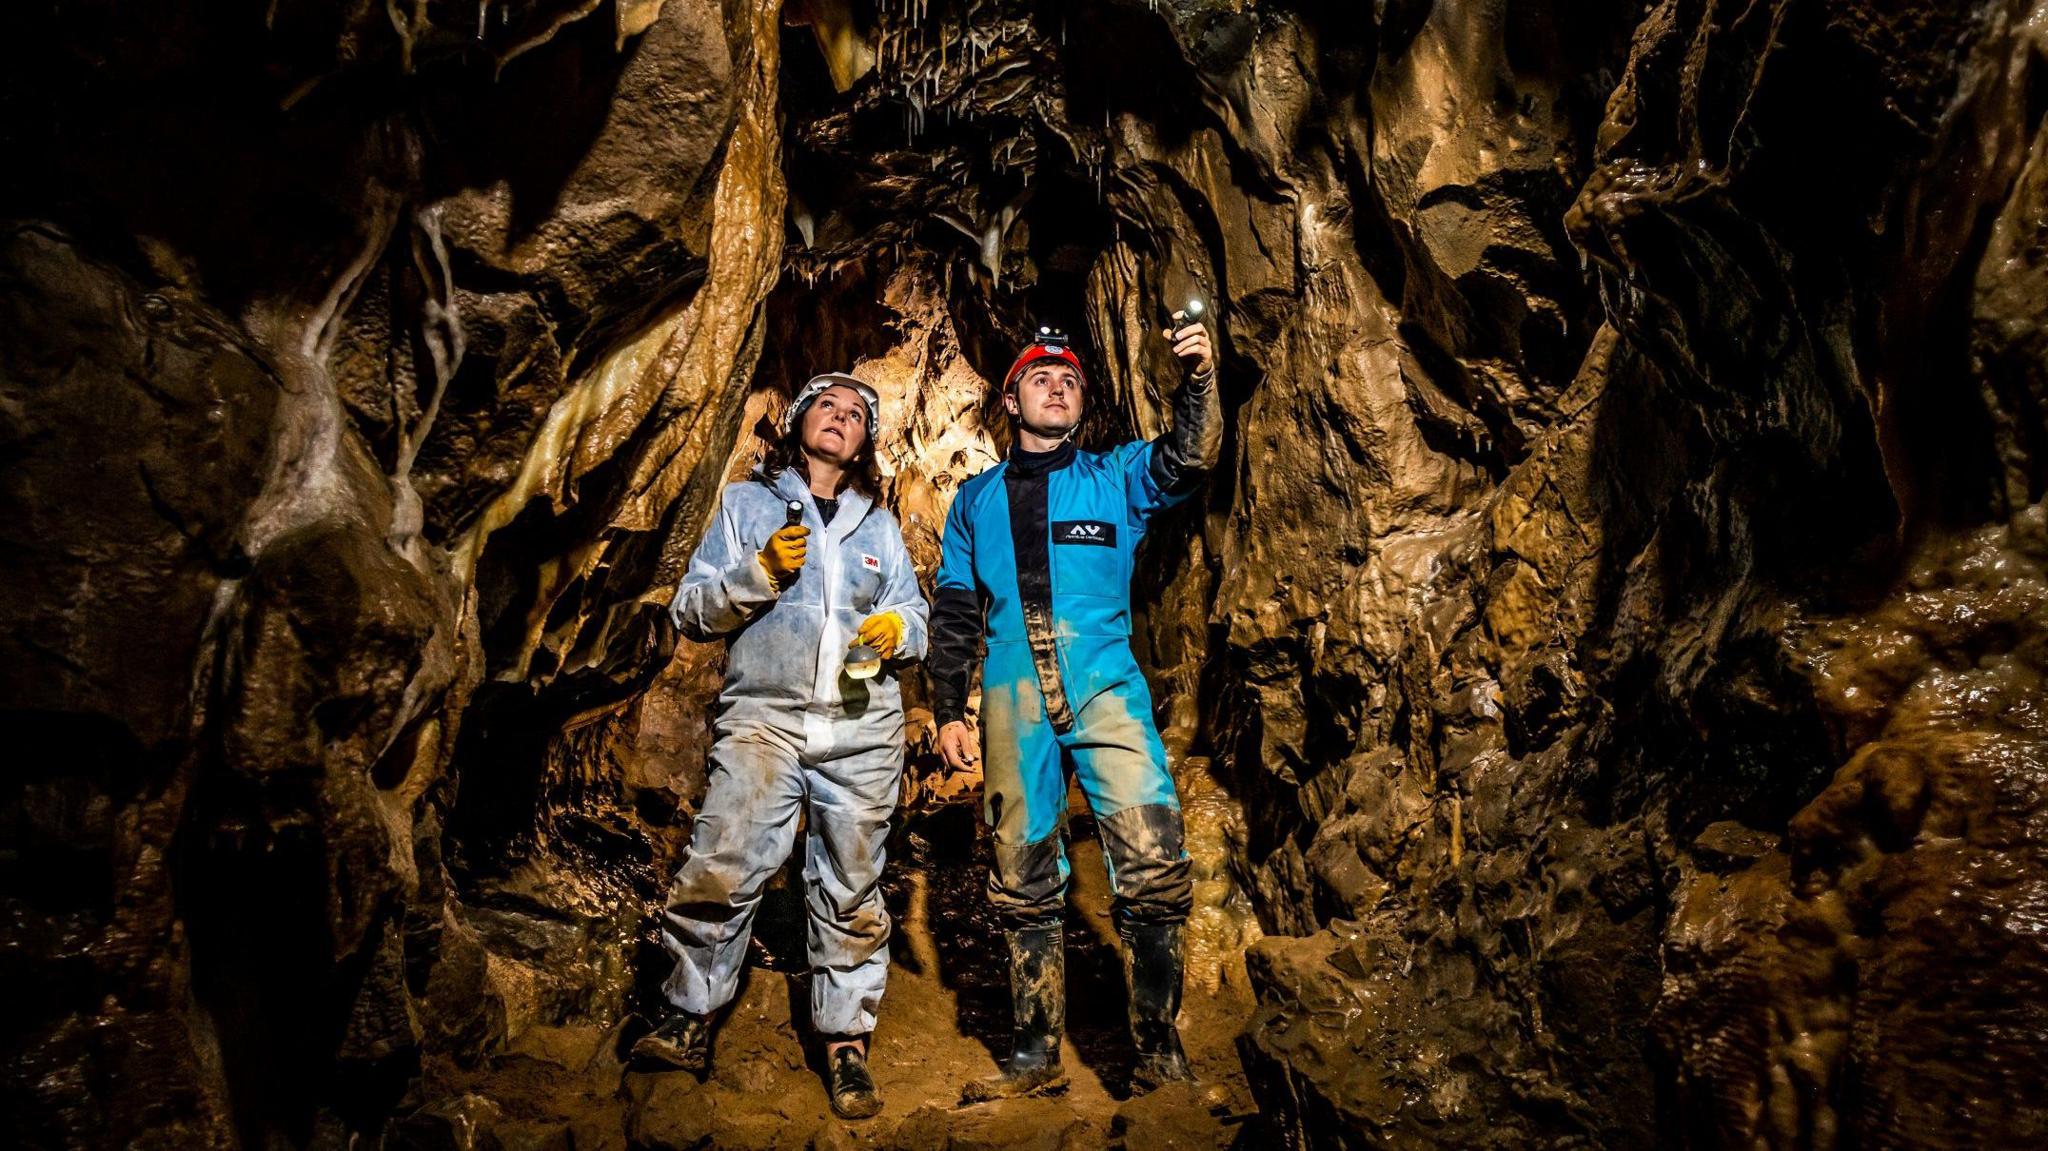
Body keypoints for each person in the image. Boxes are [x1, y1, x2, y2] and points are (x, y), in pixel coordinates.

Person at [930, 312, 1221, 1101]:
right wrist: (947, 706)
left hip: (1106, 687)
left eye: (1069, 381)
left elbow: (1189, 455)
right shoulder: (973, 501)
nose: (1055, 387)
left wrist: (1198, 382)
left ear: (1080, 405)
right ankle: (1035, 1051)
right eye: (1039, 377)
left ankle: (1158, 1049)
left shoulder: (1116, 477)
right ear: (1012, 398)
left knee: (1153, 860)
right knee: (1022, 872)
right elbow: (955, 608)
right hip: (1012, 697)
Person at [634, 373, 928, 1121]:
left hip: (862, 728)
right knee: (724, 859)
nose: (841, 417)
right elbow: (692, 607)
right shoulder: (745, 504)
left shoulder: (880, 527)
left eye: (856, 413)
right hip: (764, 717)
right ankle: (688, 1013)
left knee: (851, 882)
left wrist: (900, 630)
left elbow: (915, 613)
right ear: (799, 421)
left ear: (865, 440)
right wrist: (757, 574)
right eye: (827, 405)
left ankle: (845, 1040)